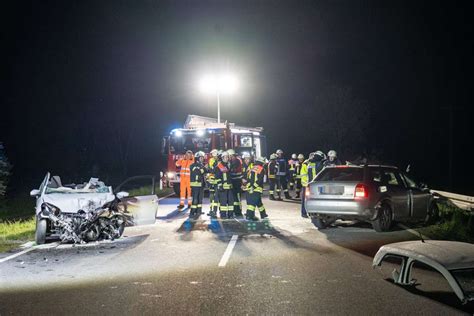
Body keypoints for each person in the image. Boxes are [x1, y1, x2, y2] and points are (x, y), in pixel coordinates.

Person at [245, 157, 268, 221]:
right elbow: (260, 180)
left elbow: (248, 177)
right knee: (252, 204)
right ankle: (249, 216)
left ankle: (263, 214)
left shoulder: (252, 167)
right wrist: (254, 187)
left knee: (258, 202)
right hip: (256, 188)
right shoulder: (261, 168)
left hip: (250, 187)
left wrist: (248, 186)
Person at [214, 151, 234, 219]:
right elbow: (217, 177)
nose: (226, 158)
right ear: (222, 158)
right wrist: (220, 185)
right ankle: (223, 215)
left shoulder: (228, 165)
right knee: (223, 202)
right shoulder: (219, 166)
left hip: (230, 187)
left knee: (231, 202)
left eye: (227, 157)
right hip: (223, 188)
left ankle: (230, 214)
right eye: (225, 157)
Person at [189, 151, 206, 218]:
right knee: (195, 199)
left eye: (202, 158)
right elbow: (199, 172)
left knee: (200, 198)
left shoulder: (201, 165)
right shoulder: (193, 165)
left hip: (201, 185)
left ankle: (198, 211)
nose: (202, 159)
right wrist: (204, 169)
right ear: (197, 158)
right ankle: (192, 212)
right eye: (201, 158)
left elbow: (205, 170)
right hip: (196, 185)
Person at [228, 149, 244, 217]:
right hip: (234, 181)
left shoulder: (236, 161)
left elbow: (233, 170)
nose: (229, 158)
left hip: (237, 182)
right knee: (235, 198)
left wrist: (228, 169)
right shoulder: (234, 160)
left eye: (229, 156)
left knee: (237, 197)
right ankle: (236, 210)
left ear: (232, 155)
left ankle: (238, 211)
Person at [206, 149, 219, 218]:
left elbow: (212, 170)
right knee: (213, 197)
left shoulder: (214, 161)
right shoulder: (213, 161)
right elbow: (210, 170)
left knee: (214, 197)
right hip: (212, 182)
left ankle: (213, 211)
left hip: (214, 182)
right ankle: (212, 210)